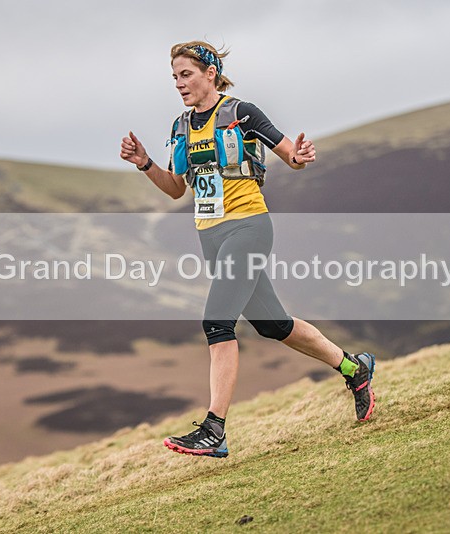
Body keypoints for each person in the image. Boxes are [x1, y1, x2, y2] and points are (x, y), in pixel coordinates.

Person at [120, 40, 375, 458]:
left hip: (248, 228)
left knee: (217, 323)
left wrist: (301, 156)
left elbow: (289, 154)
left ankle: (214, 430)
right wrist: (146, 164)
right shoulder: (181, 126)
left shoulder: (242, 113)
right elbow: (175, 188)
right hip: (211, 236)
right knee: (274, 325)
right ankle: (354, 368)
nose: (179, 84)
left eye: (186, 75)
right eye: (174, 78)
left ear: (210, 73)